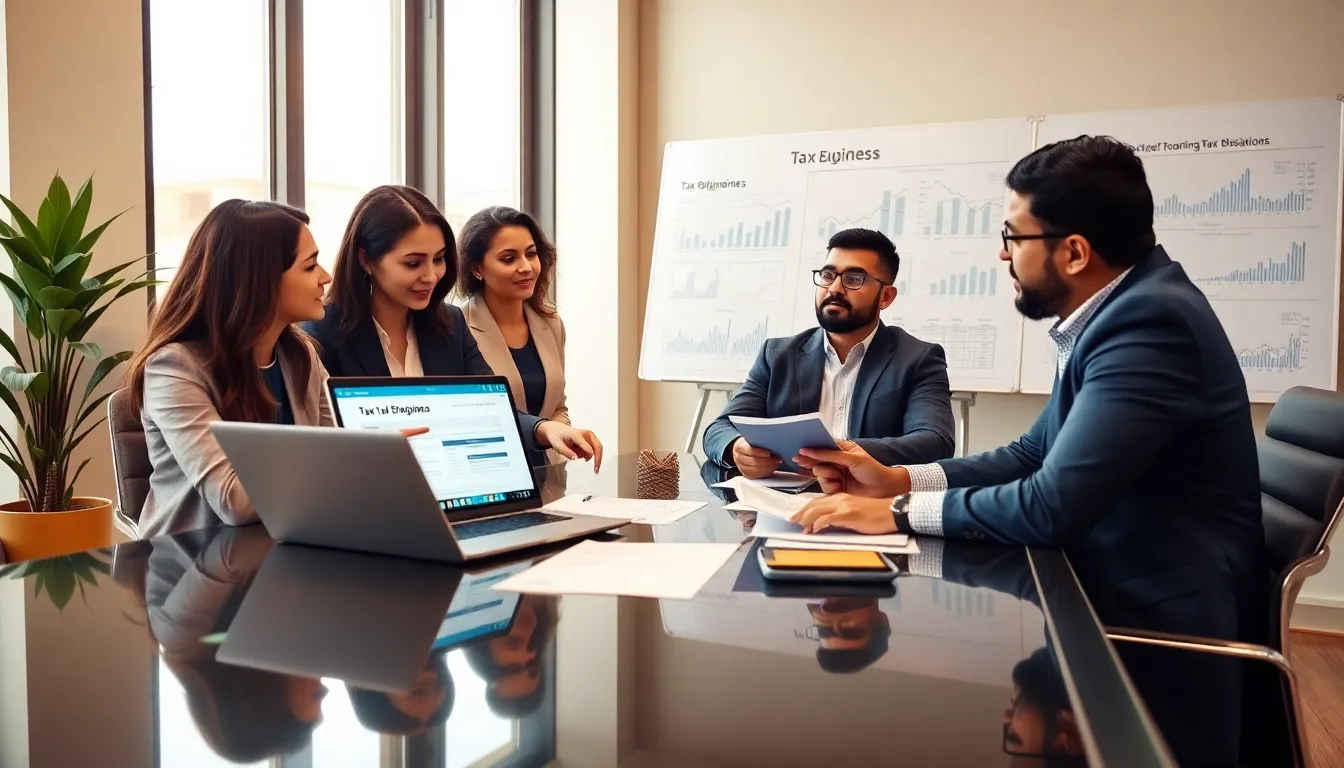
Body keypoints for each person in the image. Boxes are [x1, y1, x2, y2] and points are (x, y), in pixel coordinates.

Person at [790, 137, 1265, 762]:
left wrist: (895, 516)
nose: (1002, 253)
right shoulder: (1119, 312)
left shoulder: (1149, 323)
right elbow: (1030, 453)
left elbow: (1051, 505)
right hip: (1113, 596)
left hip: (1150, 630)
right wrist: (897, 479)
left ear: (1073, 252)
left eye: (1014, 237)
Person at [303, 186, 602, 469]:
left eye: (439, 259)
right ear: (365, 258)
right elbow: (315, 448)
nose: (431, 276)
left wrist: (544, 429)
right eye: (413, 264)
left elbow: (491, 407)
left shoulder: (449, 323)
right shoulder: (323, 332)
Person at [127, 201, 337, 539]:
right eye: (310, 266)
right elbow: (233, 500)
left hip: (282, 554)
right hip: (193, 569)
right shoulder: (173, 368)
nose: (326, 277)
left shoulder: (301, 356)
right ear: (260, 280)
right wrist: (344, 462)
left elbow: (340, 459)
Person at [702, 227, 954, 478]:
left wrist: (843, 454)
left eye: (854, 279)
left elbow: (935, 442)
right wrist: (736, 448)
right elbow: (720, 428)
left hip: (870, 507)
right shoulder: (777, 355)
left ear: (885, 296)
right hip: (787, 505)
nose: (834, 288)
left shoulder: (918, 359)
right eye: (827, 275)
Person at [457, 207, 569, 445]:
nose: (526, 267)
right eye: (509, 259)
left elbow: (558, 407)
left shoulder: (551, 324)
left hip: (549, 475)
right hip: (490, 470)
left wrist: (555, 433)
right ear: (477, 269)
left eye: (531, 254)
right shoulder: (458, 328)